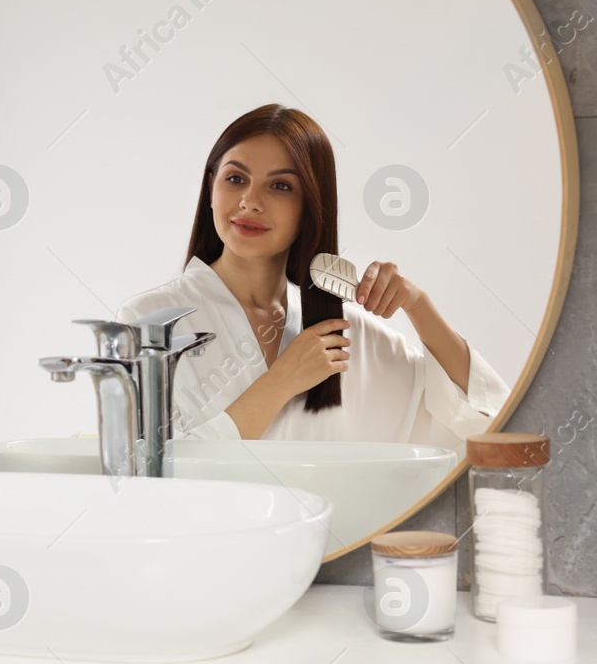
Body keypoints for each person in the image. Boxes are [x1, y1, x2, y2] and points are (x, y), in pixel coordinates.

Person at [116, 103, 508, 450]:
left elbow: (483, 422)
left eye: (281, 186)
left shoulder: (346, 334)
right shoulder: (150, 321)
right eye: (235, 179)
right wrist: (281, 381)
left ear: (311, 206)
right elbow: (145, 467)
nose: (250, 201)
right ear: (212, 187)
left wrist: (419, 306)